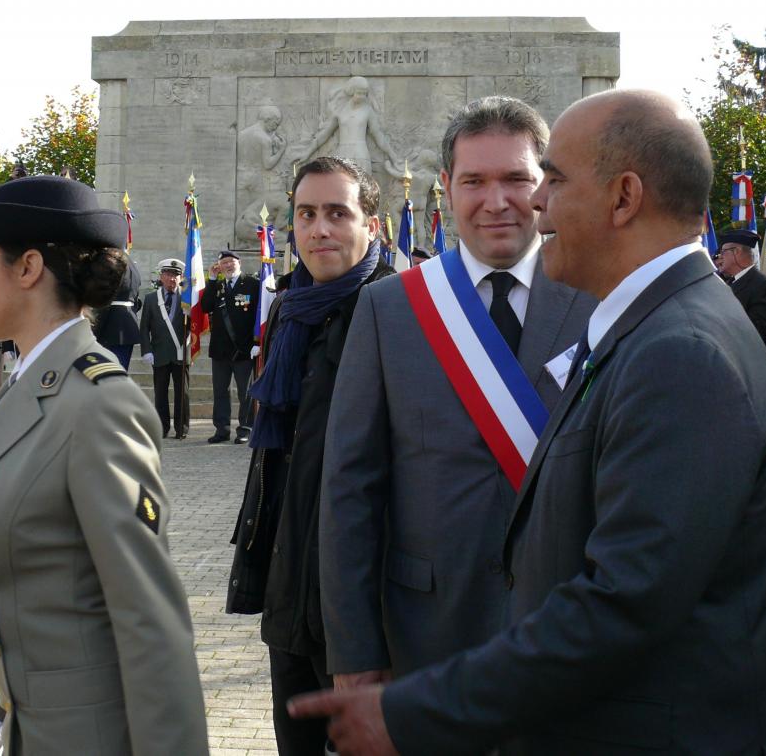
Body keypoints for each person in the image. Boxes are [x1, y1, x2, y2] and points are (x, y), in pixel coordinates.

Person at [290, 90, 766, 755]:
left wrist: (413, 711)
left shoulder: (679, 350)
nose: (532, 203)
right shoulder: (659, 323)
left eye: (549, 180)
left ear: (622, 198)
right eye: (475, 181)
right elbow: (350, 492)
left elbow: (622, 602)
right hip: (481, 649)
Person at [319, 97, 596, 691]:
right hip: (427, 634)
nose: (496, 201)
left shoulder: (601, 301)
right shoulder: (388, 309)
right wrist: (355, 652)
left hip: (573, 633)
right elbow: (350, 491)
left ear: (544, 184)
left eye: (516, 179)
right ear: (445, 188)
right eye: (474, 180)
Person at [0, 174, 208, 756]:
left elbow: (149, 619)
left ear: (28, 267)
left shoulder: (98, 403)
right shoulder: (30, 382)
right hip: (30, 726)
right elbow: (34, 582)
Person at [227, 155, 394, 756]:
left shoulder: (398, 315)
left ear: (371, 225)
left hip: (360, 611)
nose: (319, 228)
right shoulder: (290, 312)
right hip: (289, 587)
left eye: (337, 213)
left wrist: (367, 634)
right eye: (306, 214)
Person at [200, 249, 260, 444]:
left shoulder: (252, 284)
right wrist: (210, 279)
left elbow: (259, 315)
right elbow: (205, 307)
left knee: (246, 393)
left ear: (239, 262)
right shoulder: (217, 287)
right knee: (220, 392)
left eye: (231, 262)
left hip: (243, 350)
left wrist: (256, 342)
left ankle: (245, 429)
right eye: (224, 263)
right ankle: (222, 429)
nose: (228, 265)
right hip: (220, 351)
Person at [139, 258, 189, 440]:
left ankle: (181, 427)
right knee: (160, 393)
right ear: (161, 277)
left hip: (181, 352)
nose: (172, 279)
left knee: (181, 393)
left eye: (175, 275)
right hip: (159, 353)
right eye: (168, 275)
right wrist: (146, 350)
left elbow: (195, 325)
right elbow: (144, 327)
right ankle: (162, 427)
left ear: (181, 277)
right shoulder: (151, 299)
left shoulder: (187, 298)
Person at [716, 228, 766, 342]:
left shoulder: (763, 285)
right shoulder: (729, 282)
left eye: (723, 251)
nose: (720, 256)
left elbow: (758, 330)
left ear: (737, 251)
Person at [91, 257, 141, 370]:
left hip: (111, 325)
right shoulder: (132, 266)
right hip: (128, 326)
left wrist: (95, 331)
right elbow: (136, 301)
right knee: (121, 370)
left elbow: (104, 298)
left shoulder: (113, 264)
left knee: (108, 372)